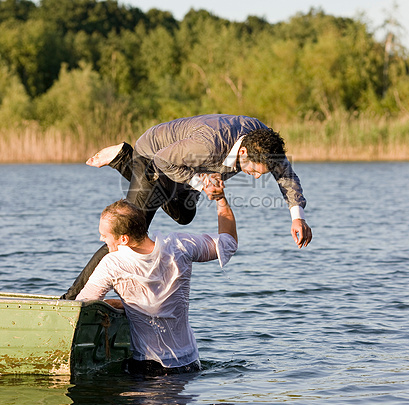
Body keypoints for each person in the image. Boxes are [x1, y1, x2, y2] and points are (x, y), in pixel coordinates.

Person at [63, 114, 311, 300]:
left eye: (261, 174)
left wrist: (297, 216)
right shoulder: (208, 146)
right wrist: (201, 183)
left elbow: (287, 177)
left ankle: (124, 159)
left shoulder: (265, 143)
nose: (256, 177)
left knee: (184, 214)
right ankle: (71, 300)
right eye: (253, 170)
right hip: (154, 155)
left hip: (183, 161)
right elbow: (163, 160)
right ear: (243, 151)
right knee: (128, 234)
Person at [75, 184, 238, 376]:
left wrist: (116, 306)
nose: (102, 239)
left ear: (124, 239)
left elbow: (80, 306)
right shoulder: (179, 245)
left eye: (105, 235)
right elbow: (229, 243)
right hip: (189, 363)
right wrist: (221, 200)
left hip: (148, 367)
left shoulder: (112, 264)